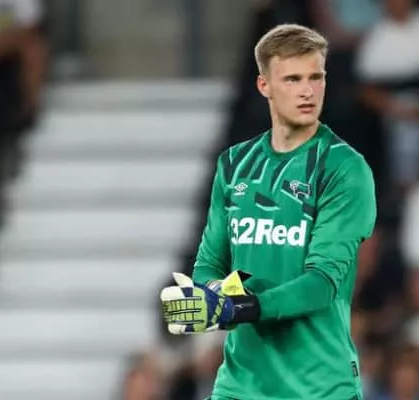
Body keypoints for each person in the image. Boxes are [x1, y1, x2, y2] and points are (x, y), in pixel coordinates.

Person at [160, 24, 377, 400]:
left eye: (315, 77)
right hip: (241, 384)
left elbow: (322, 283)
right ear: (264, 86)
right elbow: (210, 262)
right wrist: (210, 297)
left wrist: (241, 307)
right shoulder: (233, 164)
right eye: (293, 79)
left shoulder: (345, 168)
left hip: (319, 385)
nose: (308, 91)